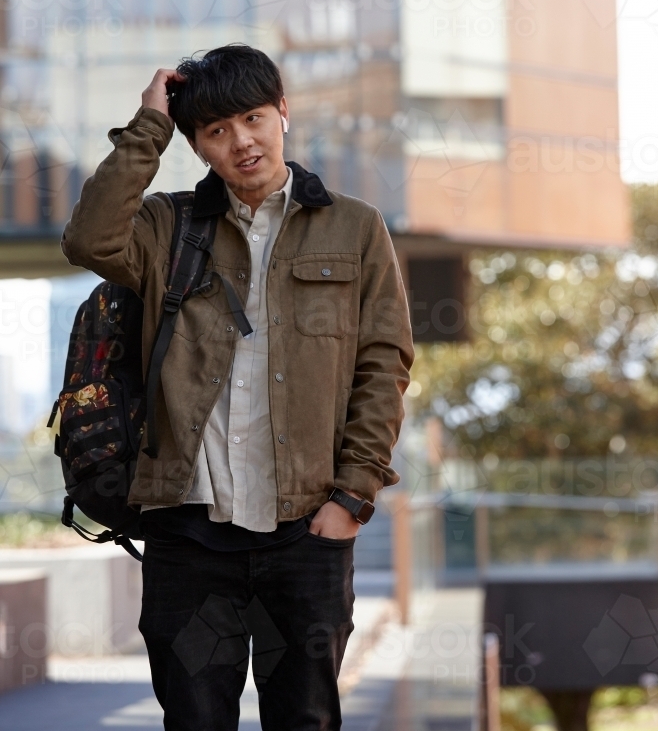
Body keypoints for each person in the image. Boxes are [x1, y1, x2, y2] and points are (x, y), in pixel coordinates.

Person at [61, 44, 414, 730]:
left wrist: (350, 497)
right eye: (215, 131)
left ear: (282, 110)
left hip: (306, 530)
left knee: (305, 720)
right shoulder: (167, 226)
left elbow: (383, 365)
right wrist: (148, 125)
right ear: (196, 145)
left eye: (253, 118)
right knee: (194, 721)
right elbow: (90, 241)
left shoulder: (354, 226)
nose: (241, 142)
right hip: (186, 531)